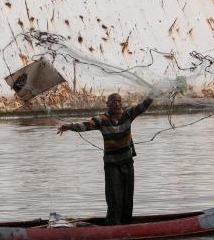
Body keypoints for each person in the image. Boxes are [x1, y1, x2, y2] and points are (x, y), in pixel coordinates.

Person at [57, 93, 152, 225]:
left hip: (128, 163)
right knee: (114, 198)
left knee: (127, 198)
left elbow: (143, 106)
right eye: (113, 102)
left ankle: (126, 225)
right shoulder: (101, 119)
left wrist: (153, 95)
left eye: (119, 101)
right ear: (107, 104)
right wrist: (68, 126)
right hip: (112, 166)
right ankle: (113, 225)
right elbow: (86, 125)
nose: (117, 104)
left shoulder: (128, 115)